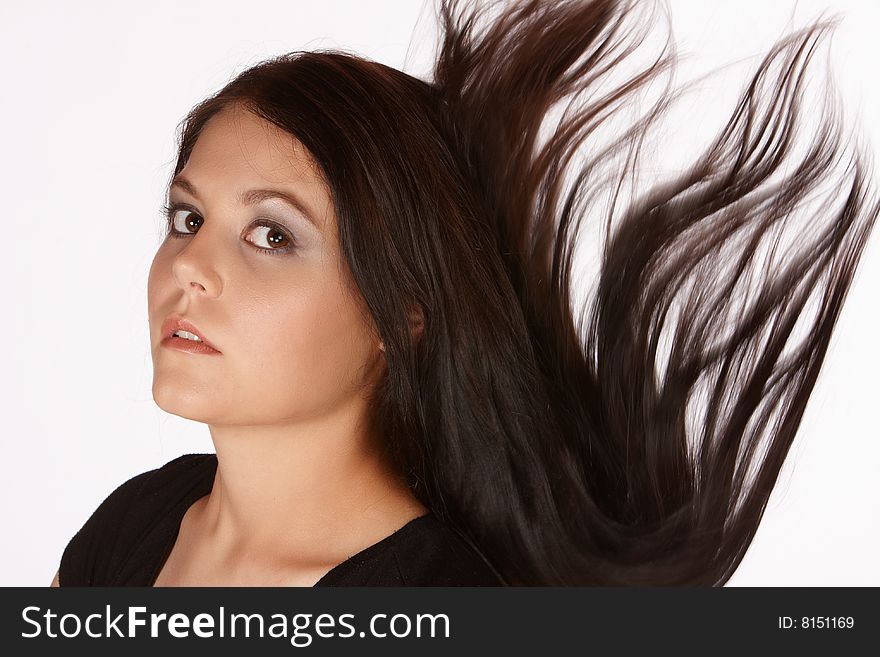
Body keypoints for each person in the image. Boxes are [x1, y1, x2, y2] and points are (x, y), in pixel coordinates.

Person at [53, 0, 878, 586]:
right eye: (187, 215)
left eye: (274, 234)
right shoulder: (133, 524)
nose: (189, 265)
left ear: (401, 314)